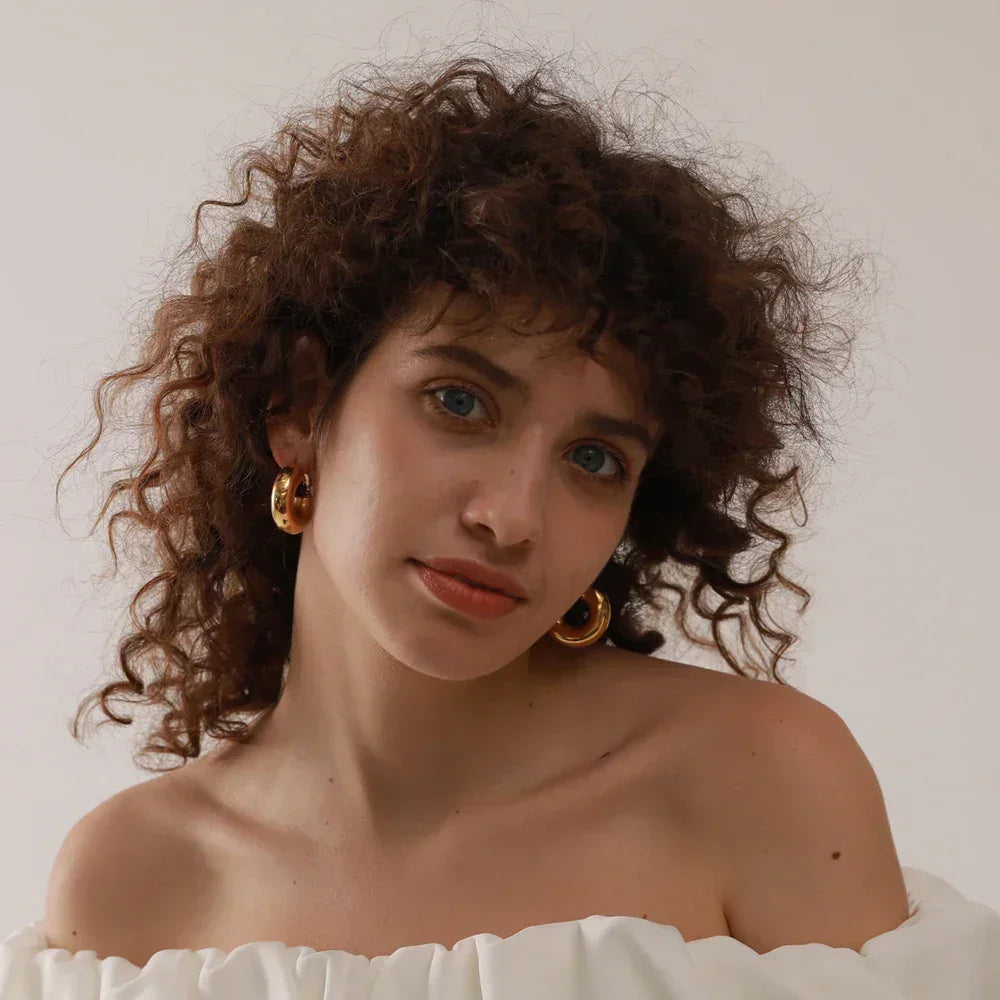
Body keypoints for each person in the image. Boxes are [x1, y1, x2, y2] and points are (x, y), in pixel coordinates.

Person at [4, 52, 999, 999]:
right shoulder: (134, 884)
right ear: (301, 405)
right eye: (459, 402)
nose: (513, 517)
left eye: (594, 459)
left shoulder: (755, 781)